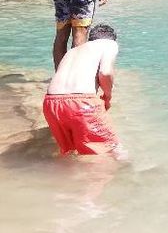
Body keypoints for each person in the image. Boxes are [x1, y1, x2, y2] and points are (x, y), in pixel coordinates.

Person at [42, 24, 123, 157]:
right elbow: (106, 72)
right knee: (111, 152)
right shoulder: (109, 44)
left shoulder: (72, 51)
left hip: (51, 104)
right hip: (82, 103)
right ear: (112, 39)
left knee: (68, 154)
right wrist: (107, 96)